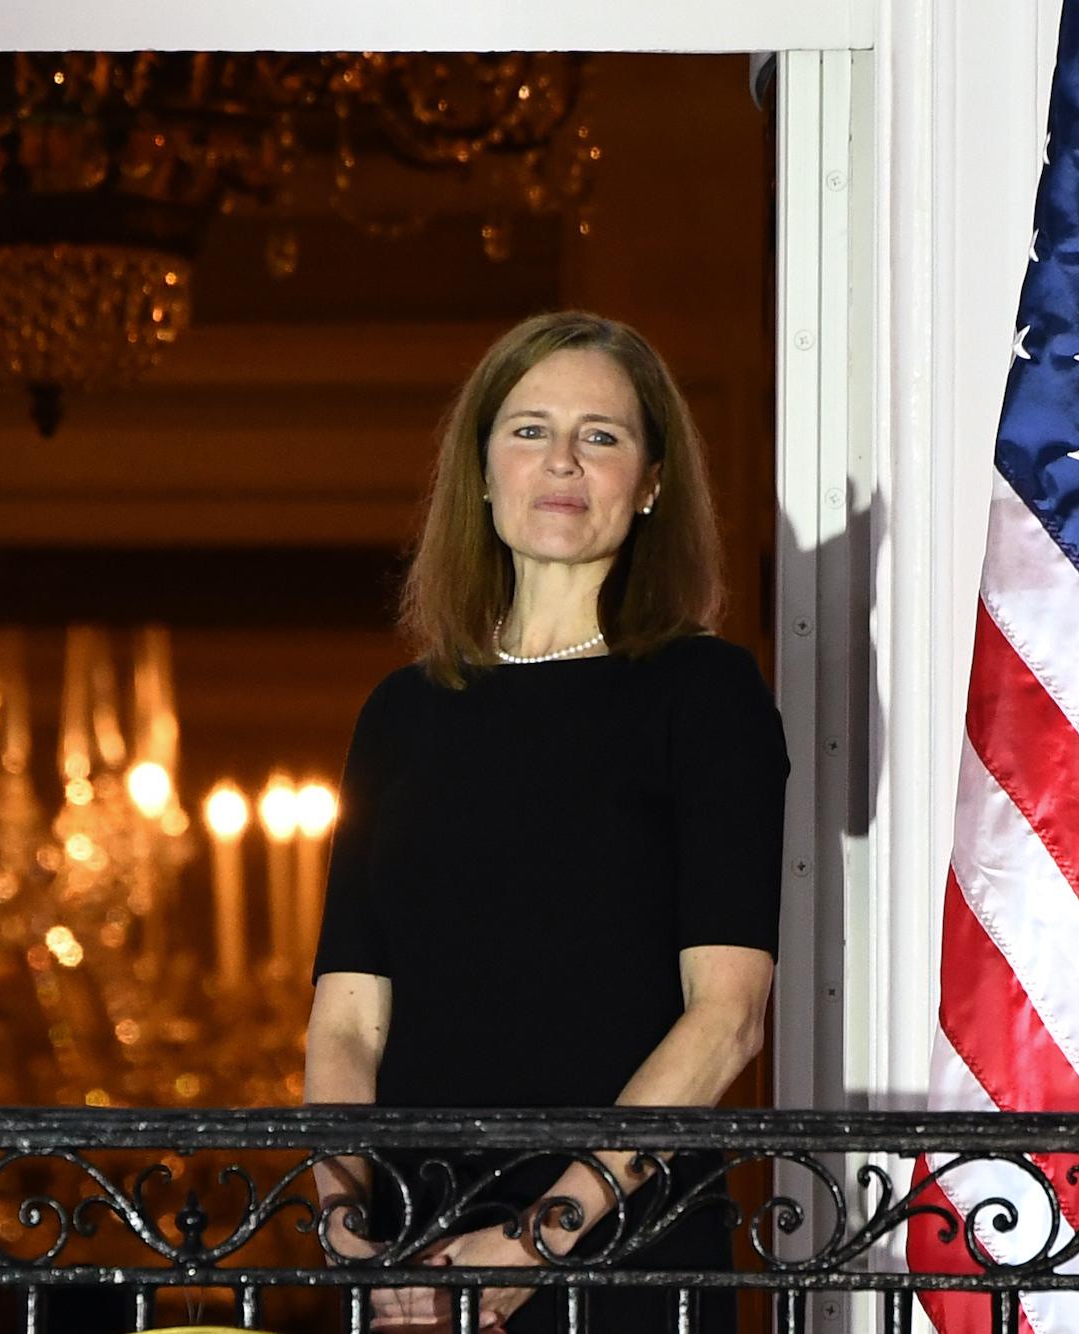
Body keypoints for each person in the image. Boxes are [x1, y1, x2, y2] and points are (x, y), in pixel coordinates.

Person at [303, 311, 789, 1333]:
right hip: (414, 1261)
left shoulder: (703, 692)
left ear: (650, 482)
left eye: (600, 435)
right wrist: (349, 1224)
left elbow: (727, 1014)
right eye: (527, 429)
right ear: (479, 470)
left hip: (625, 1252)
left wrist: (536, 1239)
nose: (560, 459)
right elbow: (346, 1020)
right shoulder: (400, 710)